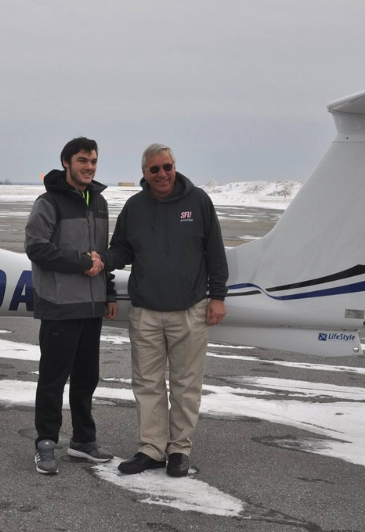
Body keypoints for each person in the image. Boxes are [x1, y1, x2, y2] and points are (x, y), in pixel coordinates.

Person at [95, 143, 228, 477]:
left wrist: (218, 296)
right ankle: (151, 449)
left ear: (174, 167)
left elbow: (215, 252)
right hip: (146, 312)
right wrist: (101, 261)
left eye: (166, 167)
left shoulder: (198, 201)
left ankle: (179, 450)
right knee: (147, 383)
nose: (162, 174)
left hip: (190, 310)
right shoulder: (135, 207)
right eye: (154, 169)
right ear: (145, 173)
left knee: (185, 384)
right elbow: (121, 249)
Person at [25, 137, 117, 475]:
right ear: (66, 162)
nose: (89, 166)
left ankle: (83, 441)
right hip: (60, 306)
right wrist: (79, 262)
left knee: (86, 378)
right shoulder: (49, 202)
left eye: (93, 160)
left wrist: (107, 293)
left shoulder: (100, 202)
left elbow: (101, 255)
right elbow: (36, 247)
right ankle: (46, 444)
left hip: (91, 307)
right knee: (53, 380)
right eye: (82, 160)